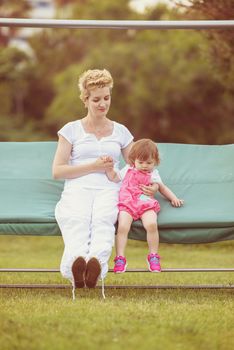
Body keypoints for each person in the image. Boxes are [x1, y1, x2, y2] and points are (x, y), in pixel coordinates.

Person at [52, 69, 157, 298]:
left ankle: (95, 265)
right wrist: (93, 166)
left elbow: (138, 163)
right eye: (96, 99)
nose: (102, 104)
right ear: (85, 99)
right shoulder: (71, 130)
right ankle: (76, 267)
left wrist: (154, 185)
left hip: (110, 187)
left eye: (106, 98)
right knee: (77, 220)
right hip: (78, 186)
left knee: (103, 220)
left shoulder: (121, 131)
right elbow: (58, 171)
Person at [105, 139, 184, 274]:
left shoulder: (153, 174)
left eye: (149, 163)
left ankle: (153, 256)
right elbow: (114, 177)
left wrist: (174, 198)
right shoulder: (128, 169)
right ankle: (120, 257)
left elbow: (163, 188)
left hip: (145, 203)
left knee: (152, 225)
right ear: (133, 160)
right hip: (128, 202)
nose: (144, 166)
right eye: (140, 162)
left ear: (155, 161)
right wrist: (108, 168)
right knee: (123, 226)